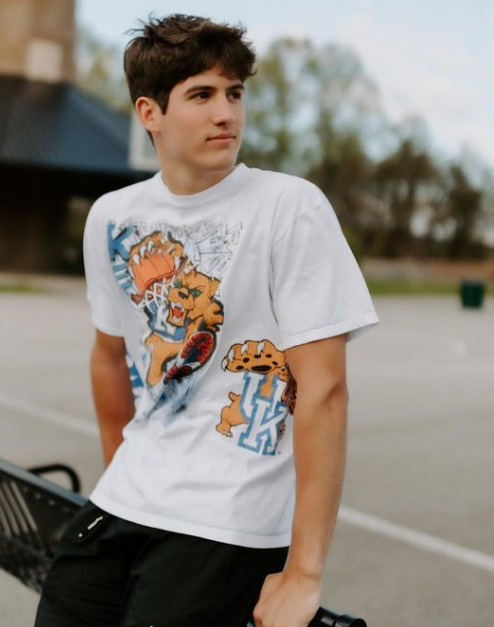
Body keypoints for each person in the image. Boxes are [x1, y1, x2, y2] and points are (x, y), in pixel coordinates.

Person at [34, 13, 379, 627]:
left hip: (226, 522)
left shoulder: (289, 207)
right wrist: (125, 468)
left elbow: (325, 391)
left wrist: (302, 574)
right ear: (150, 113)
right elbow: (108, 354)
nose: (227, 114)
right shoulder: (112, 217)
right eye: (201, 95)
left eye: (234, 93)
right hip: (122, 504)